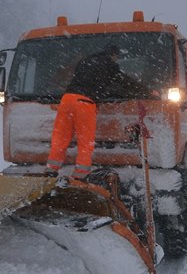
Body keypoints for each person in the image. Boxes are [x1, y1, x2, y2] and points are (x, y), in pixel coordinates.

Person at [46, 44, 149, 179]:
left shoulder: (84, 62)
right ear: (113, 55)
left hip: (66, 99)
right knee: (85, 141)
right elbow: (124, 82)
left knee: (60, 138)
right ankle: (80, 175)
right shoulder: (109, 65)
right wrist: (145, 91)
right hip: (84, 102)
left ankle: (51, 171)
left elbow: (80, 78)